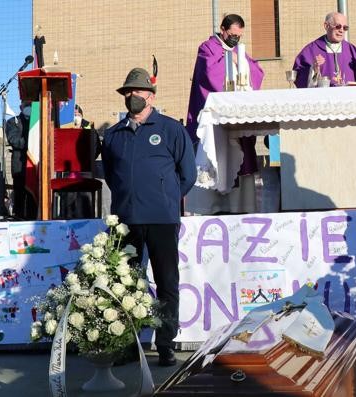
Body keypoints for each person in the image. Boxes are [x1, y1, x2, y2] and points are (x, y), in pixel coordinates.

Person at [103, 68, 195, 366]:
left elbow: (188, 174)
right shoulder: (113, 135)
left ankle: (166, 344)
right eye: (127, 92)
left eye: (137, 91)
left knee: (167, 282)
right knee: (126, 284)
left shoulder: (170, 129)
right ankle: (128, 345)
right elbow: (110, 176)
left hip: (162, 220)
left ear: (150, 96)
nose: (132, 96)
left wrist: (166, 198)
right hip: (127, 219)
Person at [185, 14, 263, 210]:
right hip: (215, 119)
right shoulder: (207, 48)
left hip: (236, 118)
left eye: (239, 35)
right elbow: (210, 75)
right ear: (223, 29)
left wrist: (240, 61)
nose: (235, 39)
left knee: (239, 162)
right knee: (214, 161)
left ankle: (239, 208)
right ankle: (209, 208)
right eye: (233, 34)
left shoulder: (238, 50)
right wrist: (232, 61)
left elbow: (257, 72)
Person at [291, 12, 356, 88]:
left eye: (345, 28)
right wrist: (313, 69)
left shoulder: (351, 50)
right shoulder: (311, 50)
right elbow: (299, 78)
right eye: (338, 26)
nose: (341, 30)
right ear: (326, 26)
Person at [5, 99, 36, 220]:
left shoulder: (37, 123)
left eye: (31, 105)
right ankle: (19, 218)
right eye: (26, 104)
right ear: (20, 107)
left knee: (32, 197)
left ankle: (33, 219)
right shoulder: (13, 122)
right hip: (19, 165)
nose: (28, 107)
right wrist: (32, 141)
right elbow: (14, 141)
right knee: (19, 195)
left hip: (34, 165)